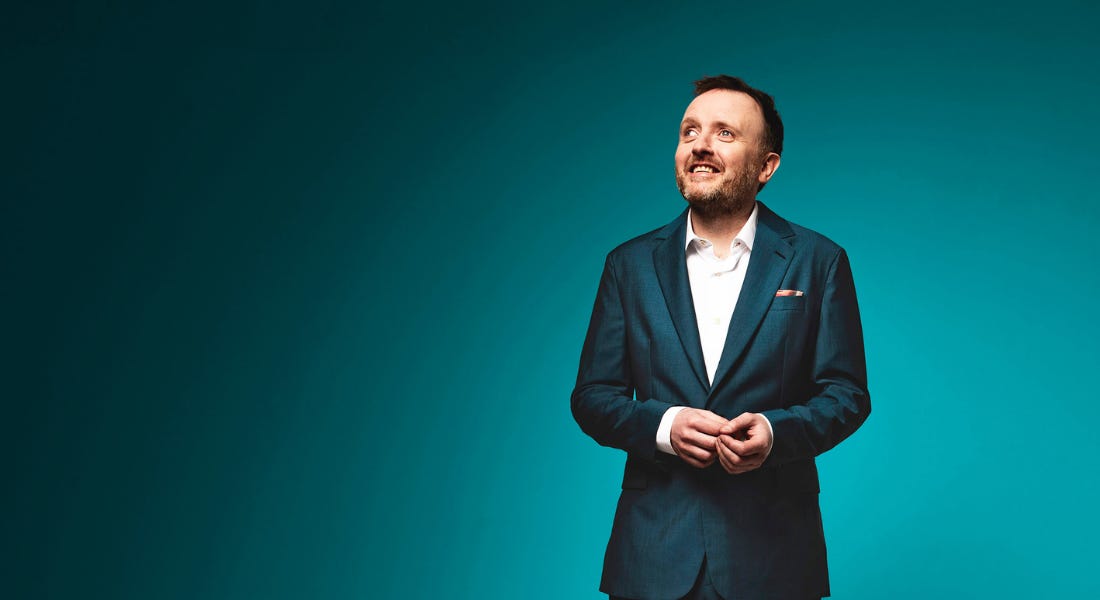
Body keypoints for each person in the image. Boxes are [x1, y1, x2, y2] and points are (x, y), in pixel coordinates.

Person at [571, 75, 871, 600]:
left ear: (766, 166)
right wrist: (665, 426)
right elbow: (593, 397)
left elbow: (847, 395)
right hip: (652, 557)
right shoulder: (628, 265)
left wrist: (775, 434)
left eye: (725, 133)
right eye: (689, 131)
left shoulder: (819, 261)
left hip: (775, 557)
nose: (701, 145)